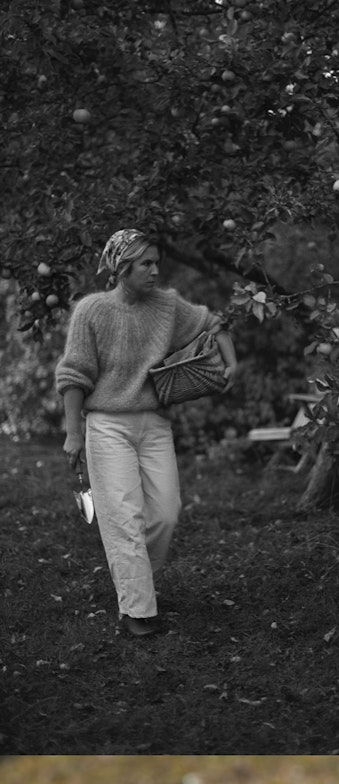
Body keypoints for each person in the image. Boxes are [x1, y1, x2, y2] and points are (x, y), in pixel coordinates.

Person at [56, 228, 238, 637]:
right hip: (106, 426)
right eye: (146, 264)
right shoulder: (92, 311)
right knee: (123, 516)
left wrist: (232, 363)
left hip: (155, 425)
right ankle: (137, 610)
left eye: (157, 262)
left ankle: (136, 584)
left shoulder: (168, 306)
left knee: (165, 514)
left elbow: (215, 322)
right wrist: (73, 434)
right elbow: (74, 375)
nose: (155, 271)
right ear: (122, 268)